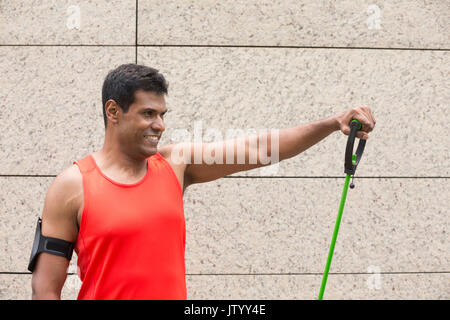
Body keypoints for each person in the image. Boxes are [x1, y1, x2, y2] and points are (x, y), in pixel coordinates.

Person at [30, 63, 375, 300]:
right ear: (113, 112)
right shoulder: (72, 185)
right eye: (148, 113)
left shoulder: (177, 165)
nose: (160, 125)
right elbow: (46, 288)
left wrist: (331, 123)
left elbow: (259, 148)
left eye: (163, 114)